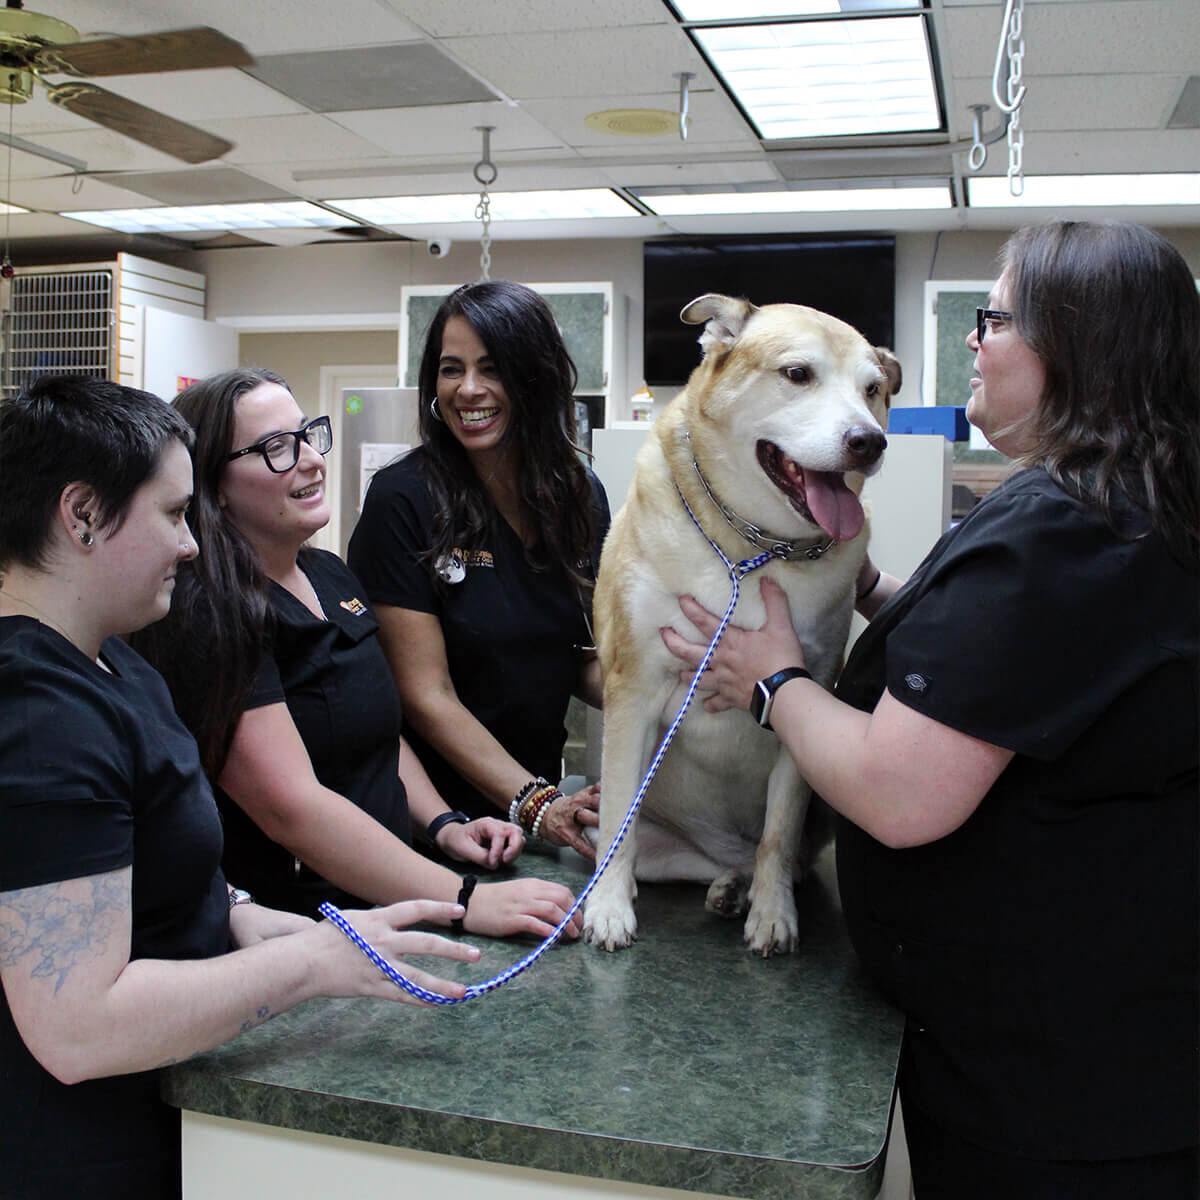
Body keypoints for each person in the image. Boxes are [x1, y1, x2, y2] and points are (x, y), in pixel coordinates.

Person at [661, 220, 1199, 1198]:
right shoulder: (1120, 501)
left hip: (1054, 1089)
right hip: (1108, 1042)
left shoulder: (1061, 526)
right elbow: (1008, 669)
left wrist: (775, 680)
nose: (971, 341)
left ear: (1075, 344)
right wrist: (869, 589)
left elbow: (901, 791)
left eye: (993, 319)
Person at [0, 376, 479, 1200]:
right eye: (173, 514)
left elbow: (159, 875)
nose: (191, 546)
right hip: (76, 1156)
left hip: (169, 1105)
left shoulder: (117, 663)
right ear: (81, 515)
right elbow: (77, 1028)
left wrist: (274, 925)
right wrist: (315, 964)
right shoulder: (39, 717)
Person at [132, 368, 580, 940]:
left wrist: (441, 824)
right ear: (214, 483)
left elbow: (377, 735)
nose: (310, 460)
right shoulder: (211, 611)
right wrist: (466, 901)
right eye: (275, 448)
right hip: (303, 927)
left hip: (392, 893)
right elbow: (291, 808)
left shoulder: (327, 574)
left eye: (308, 434)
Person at [347, 280, 610, 859]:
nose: (468, 390)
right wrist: (536, 803)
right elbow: (425, 693)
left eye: (492, 368)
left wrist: (672, 690)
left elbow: (580, 660)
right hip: (432, 823)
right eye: (451, 369)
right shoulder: (404, 498)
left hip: (535, 814)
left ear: (534, 376)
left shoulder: (579, 497)